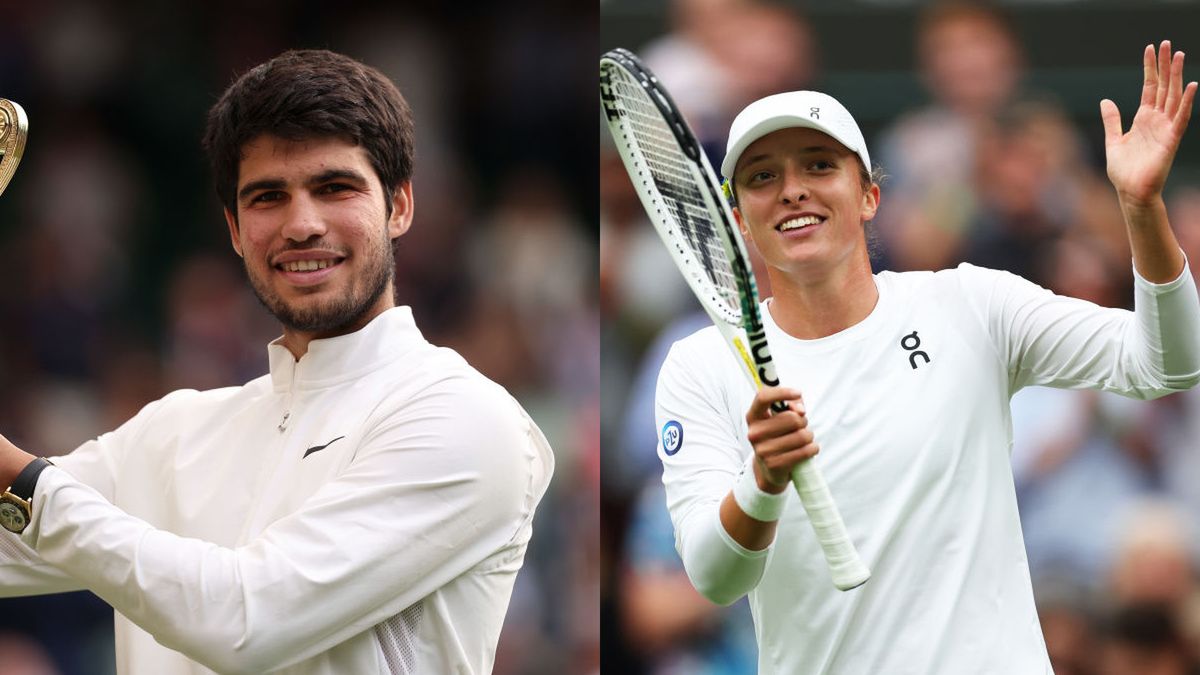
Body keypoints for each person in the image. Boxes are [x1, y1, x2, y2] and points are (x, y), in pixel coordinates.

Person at [0, 49, 554, 674]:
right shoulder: (173, 432)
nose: (302, 224)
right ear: (235, 230)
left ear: (399, 206)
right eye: (268, 197)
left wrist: (22, 479)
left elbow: (245, 622)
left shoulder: (466, 417)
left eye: (334, 187)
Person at [655, 41, 1199, 673]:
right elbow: (714, 576)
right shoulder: (699, 366)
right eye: (762, 177)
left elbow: (1170, 363)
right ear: (740, 220)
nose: (792, 191)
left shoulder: (971, 304)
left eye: (818, 166)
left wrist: (1141, 209)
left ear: (868, 197)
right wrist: (763, 480)